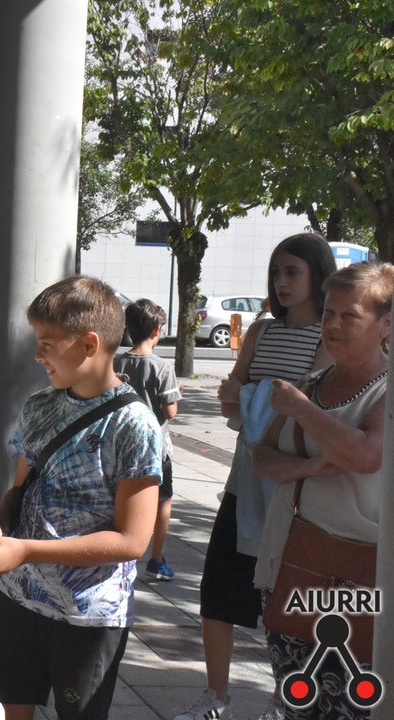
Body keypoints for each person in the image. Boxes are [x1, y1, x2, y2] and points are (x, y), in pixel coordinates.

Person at [0, 275, 162, 720]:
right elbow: (20, 490)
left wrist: (26, 550)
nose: (38, 355)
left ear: (89, 344)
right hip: (18, 598)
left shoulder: (134, 425)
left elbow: (132, 541)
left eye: (47, 344)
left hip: (87, 616)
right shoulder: (39, 405)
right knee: (8, 707)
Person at [176, 233, 337, 720]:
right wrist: (261, 399)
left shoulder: (326, 338)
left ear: (318, 275)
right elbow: (230, 399)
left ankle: (282, 701)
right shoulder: (263, 330)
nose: (281, 282)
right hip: (243, 479)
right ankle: (216, 698)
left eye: (292, 272)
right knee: (218, 592)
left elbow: (300, 408)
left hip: (295, 489)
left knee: (288, 603)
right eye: (276, 272)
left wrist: (253, 397)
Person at [252, 261, 391, 720]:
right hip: (295, 565)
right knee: (299, 701)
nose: (333, 325)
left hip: (361, 579)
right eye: (329, 313)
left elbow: (366, 455)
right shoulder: (311, 384)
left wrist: (301, 409)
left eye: (350, 316)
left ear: (386, 325)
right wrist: (309, 466)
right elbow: (262, 458)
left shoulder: (384, 393)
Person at [114, 299, 182, 580]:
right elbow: (170, 411)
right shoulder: (162, 367)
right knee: (162, 500)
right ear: (157, 331)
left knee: (121, 499)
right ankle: (156, 558)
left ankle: (120, 553)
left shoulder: (116, 361)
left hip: (120, 445)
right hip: (156, 450)